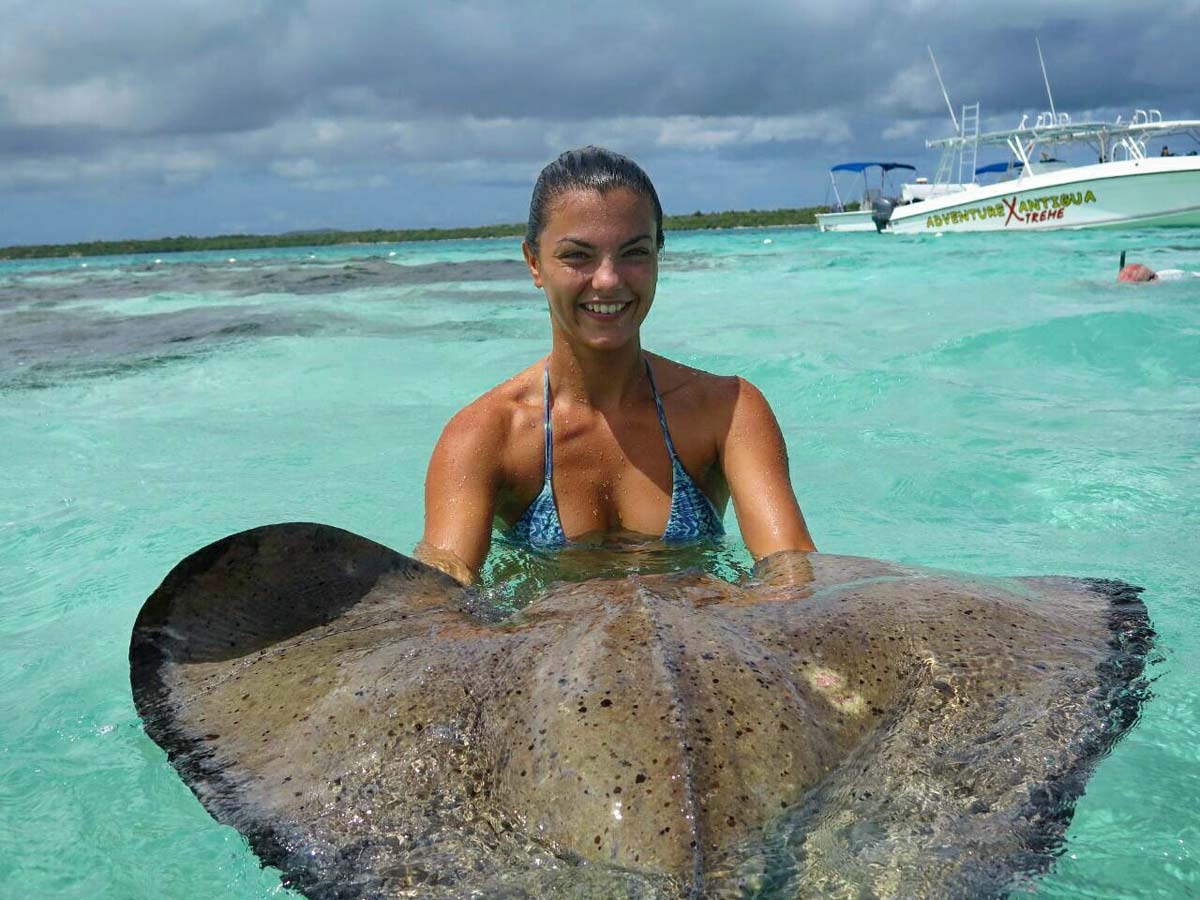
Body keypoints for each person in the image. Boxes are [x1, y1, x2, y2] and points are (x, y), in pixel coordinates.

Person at [417, 146, 815, 584]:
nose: (608, 279)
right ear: (534, 263)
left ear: (658, 255)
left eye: (634, 252)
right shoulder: (485, 437)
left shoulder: (727, 411)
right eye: (576, 256)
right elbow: (441, 599)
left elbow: (791, 573)